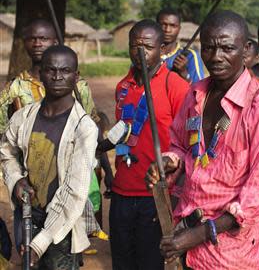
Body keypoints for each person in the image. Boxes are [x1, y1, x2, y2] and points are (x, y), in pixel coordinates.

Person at [145, 10, 259, 269]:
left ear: (245, 50)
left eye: (227, 48)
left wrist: (198, 235)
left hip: (232, 253)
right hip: (186, 237)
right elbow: (179, 144)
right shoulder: (195, 94)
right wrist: (167, 161)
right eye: (209, 48)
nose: (216, 57)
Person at [96, 19, 189, 270]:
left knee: (150, 263)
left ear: (161, 48)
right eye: (134, 45)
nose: (140, 52)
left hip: (155, 193)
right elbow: (123, 133)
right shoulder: (122, 86)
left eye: (147, 46)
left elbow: (189, 144)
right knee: (122, 262)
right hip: (122, 190)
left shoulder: (176, 86)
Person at [0, 45, 98, 269]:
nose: (57, 76)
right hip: (27, 218)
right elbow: (6, 151)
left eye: (65, 71)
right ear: (41, 74)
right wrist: (16, 180)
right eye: (51, 70)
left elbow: (74, 191)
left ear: (76, 76)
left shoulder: (83, 128)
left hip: (62, 228)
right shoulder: (24, 117)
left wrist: (40, 243)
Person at [157, 8, 205, 83]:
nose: (167, 30)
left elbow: (199, 91)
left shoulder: (190, 56)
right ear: (156, 26)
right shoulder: (146, 54)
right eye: (163, 25)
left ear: (179, 29)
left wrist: (184, 74)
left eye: (173, 26)